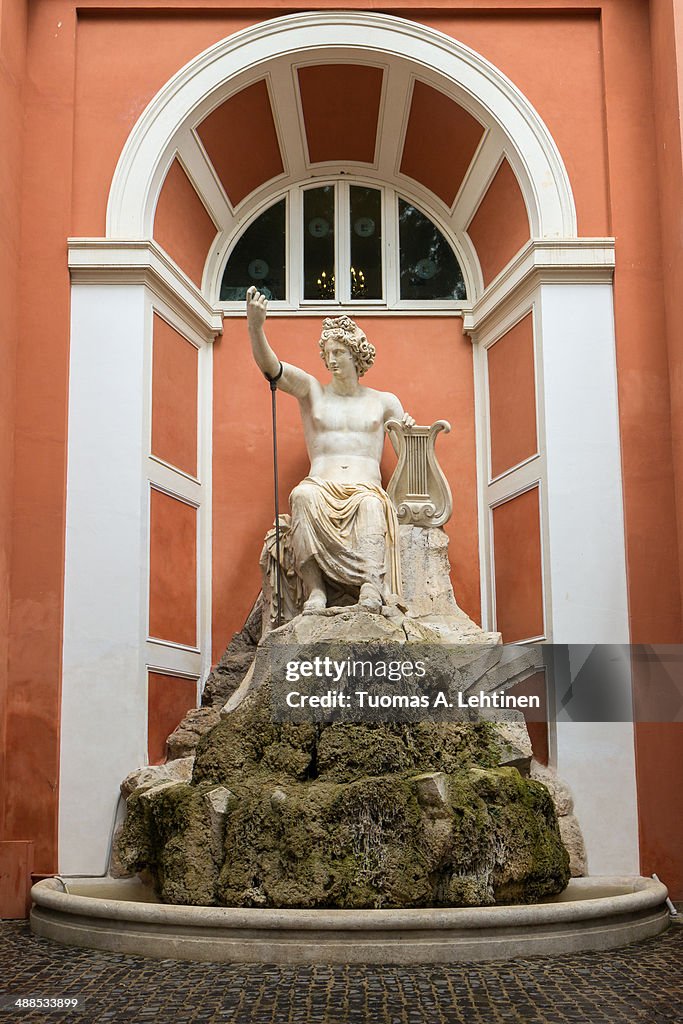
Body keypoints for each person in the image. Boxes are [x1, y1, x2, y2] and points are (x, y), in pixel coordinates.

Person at [246, 286, 415, 614]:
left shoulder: (384, 402)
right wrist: (256, 327)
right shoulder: (312, 391)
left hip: (365, 488)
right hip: (319, 487)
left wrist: (409, 433)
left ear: (356, 355)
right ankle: (316, 591)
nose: (332, 359)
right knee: (301, 497)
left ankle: (370, 585)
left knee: (369, 504)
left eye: (339, 352)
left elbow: (410, 465)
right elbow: (273, 369)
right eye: (328, 353)